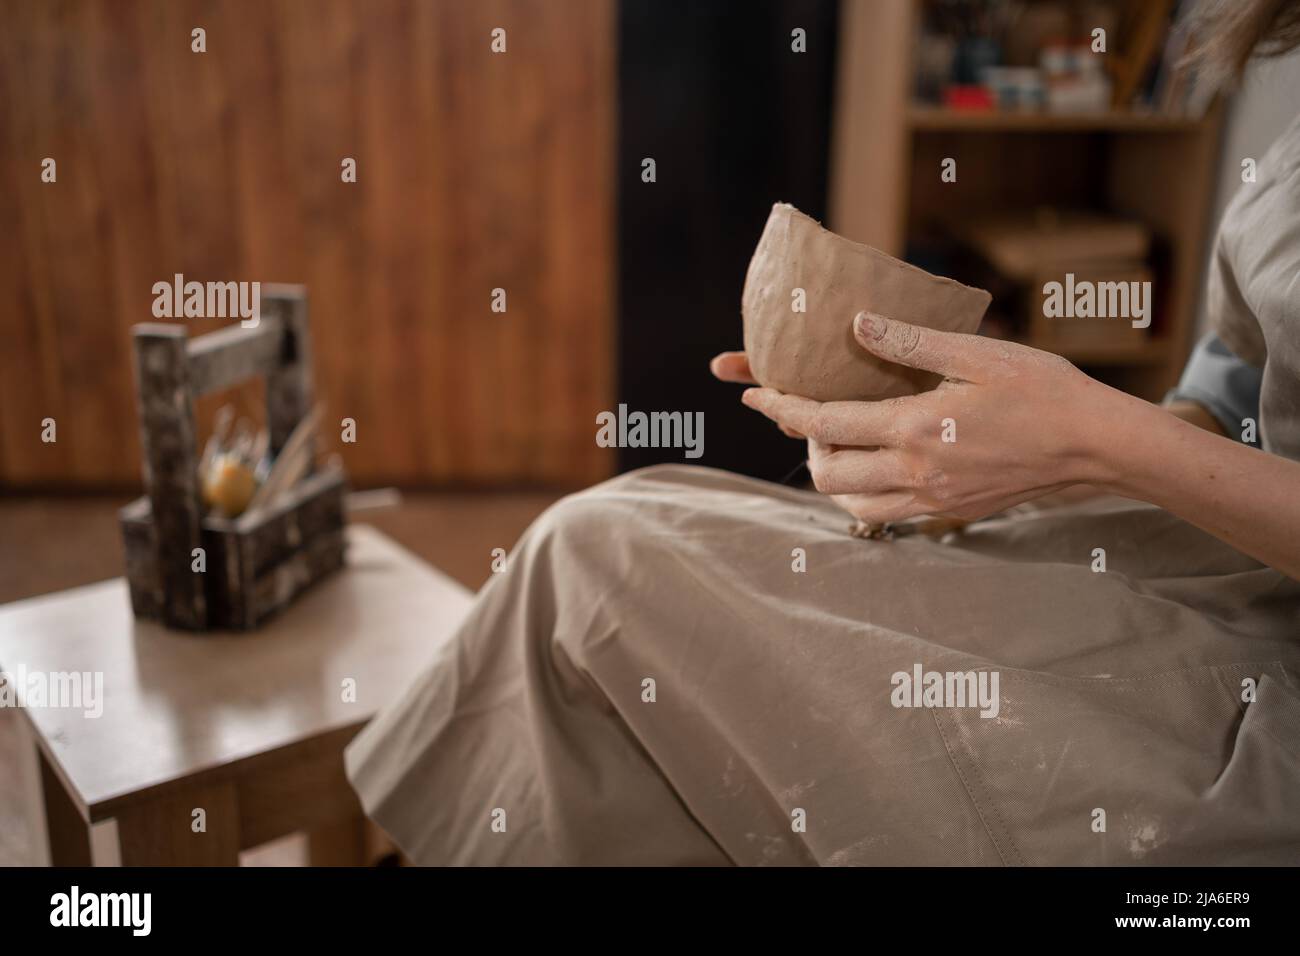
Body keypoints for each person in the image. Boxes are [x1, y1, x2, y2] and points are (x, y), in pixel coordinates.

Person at [345, 0, 1300, 864]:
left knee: (604, 566)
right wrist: (1030, 461)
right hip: (1189, 541)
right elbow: (1222, 396)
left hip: (1270, 656)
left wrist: (1095, 441)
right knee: (614, 530)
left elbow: (1155, 444)